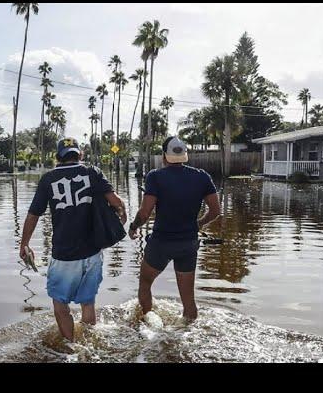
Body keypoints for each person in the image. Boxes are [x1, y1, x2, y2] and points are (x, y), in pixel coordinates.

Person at [20, 137, 127, 341]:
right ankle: (89, 343)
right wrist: (123, 220)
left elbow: (33, 214)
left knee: (60, 305)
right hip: (93, 251)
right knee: (88, 303)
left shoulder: (48, 179)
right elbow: (117, 203)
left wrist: (24, 243)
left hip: (64, 254)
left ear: (58, 157)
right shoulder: (92, 172)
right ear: (80, 154)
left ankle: (70, 347)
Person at [128, 136, 221, 321]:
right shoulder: (202, 176)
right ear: (185, 155)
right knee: (189, 301)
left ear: (164, 156)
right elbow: (216, 211)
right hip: (188, 244)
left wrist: (133, 227)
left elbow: (145, 213)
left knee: (145, 284)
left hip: (161, 243)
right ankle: (187, 329)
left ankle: (148, 323)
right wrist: (198, 225)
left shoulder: (155, 176)